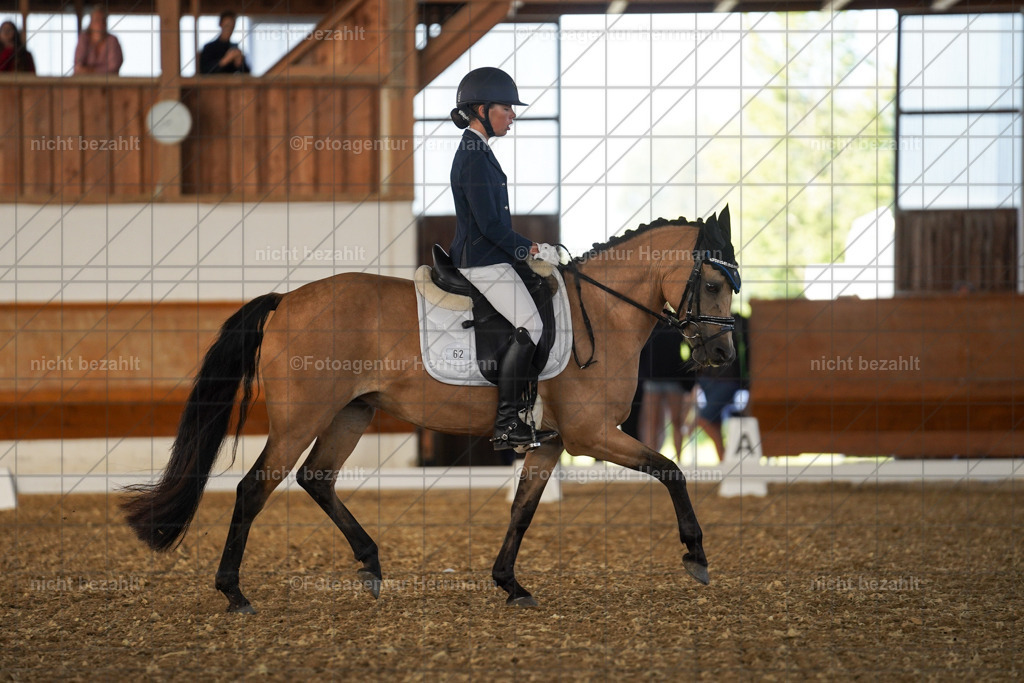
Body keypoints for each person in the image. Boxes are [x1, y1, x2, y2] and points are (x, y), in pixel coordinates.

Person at [448, 66, 560, 452]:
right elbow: (491, 225)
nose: (513, 115)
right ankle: (508, 422)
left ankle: (525, 414)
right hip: (481, 259)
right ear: (482, 109)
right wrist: (530, 248)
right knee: (531, 326)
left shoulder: (479, 152)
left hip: (490, 257)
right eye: (507, 108)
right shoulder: (474, 157)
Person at [638, 321, 697, 458]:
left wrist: (687, 379)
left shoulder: (678, 325)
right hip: (653, 380)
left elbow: (689, 350)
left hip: (673, 380)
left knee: (677, 421)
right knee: (651, 423)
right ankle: (651, 461)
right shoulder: (650, 324)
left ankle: (679, 459)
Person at [695, 314, 748, 462]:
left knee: (703, 420)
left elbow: (744, 351)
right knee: (714, 422)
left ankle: (725, 458)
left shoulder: (738, 321)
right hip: (707, 379)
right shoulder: (704, 320)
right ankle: (723, 462)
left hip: (728, 380)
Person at [73, 7, 123, 75]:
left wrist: (88, 71)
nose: (100, 24)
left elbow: (113, 67)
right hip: (84, 83)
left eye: (103, 20)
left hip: (109, 84)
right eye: (97, 20)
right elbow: (78, 67)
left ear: (106, 23)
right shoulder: (84, 39)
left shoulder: (112, 40)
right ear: (91, 23)